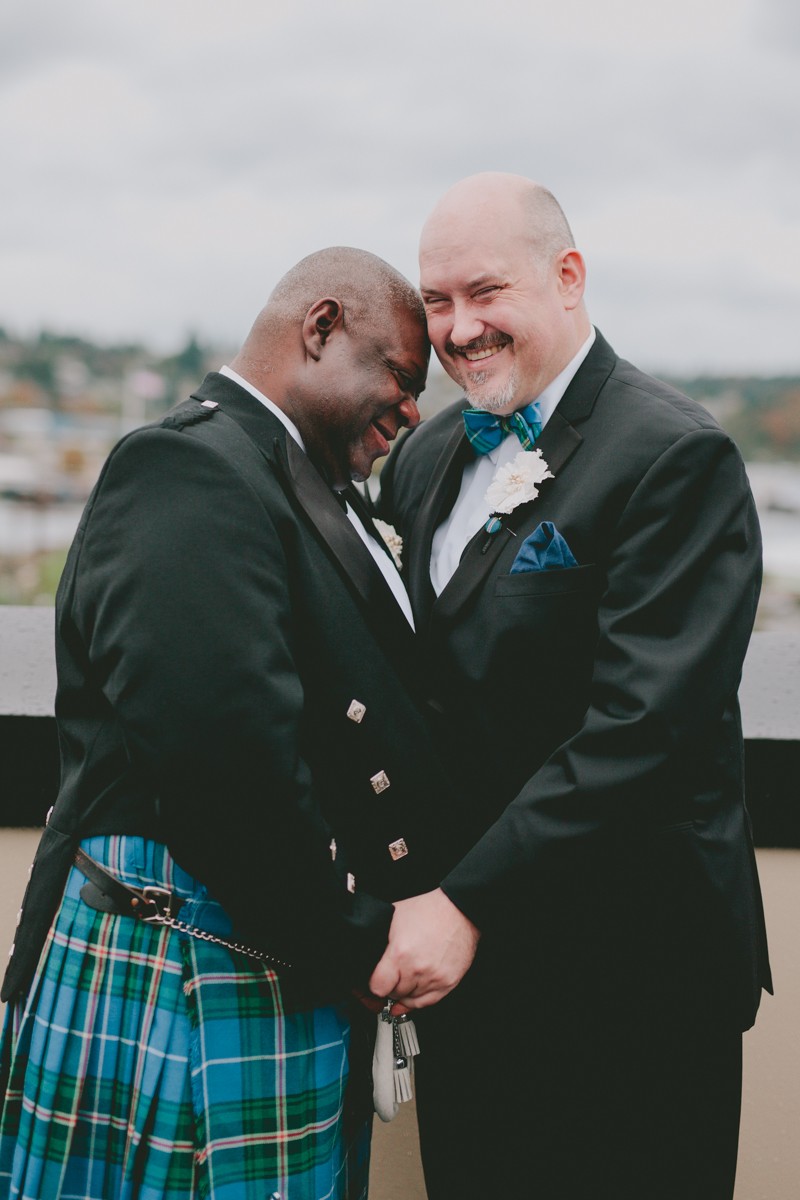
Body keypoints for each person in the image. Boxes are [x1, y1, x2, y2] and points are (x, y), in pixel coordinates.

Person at [0, 247, 459, 1200]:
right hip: (191, 966)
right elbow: (222, 761)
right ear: (320, 327)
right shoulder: (190, 467)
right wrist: (362, 940)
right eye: (400, 378)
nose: (413, 410)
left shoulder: (290, 479)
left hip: (262, 949)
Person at [372, 173, 772, 1199]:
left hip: (632, 981)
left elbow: (640, 730)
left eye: (483, 292)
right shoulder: (422, 458)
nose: (457, 329)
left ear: (566, 276)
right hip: (475, 984)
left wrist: (459, 900)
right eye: (437, 301)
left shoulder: (671, 458)